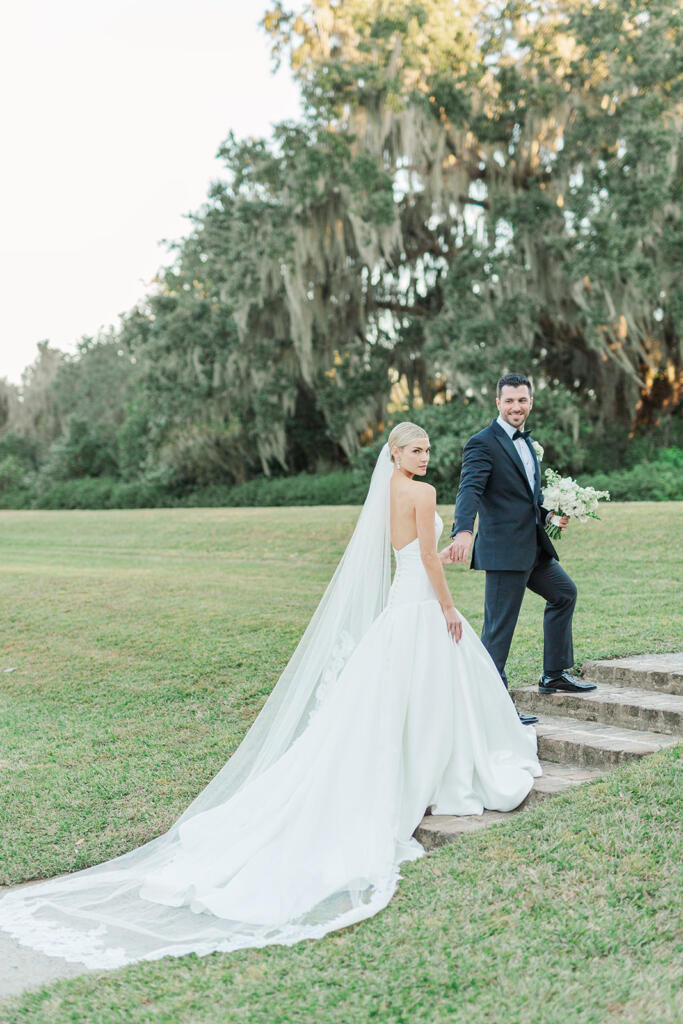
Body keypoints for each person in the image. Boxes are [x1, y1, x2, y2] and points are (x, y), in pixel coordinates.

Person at [0, 423, 540, 970]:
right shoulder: (422, 493)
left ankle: (422, 769)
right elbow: (424, 559)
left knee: (398, 695)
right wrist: (448, 606)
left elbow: (409, 554)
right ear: (395, 454)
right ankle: (439, 772)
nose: (425, 458)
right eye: (416, 450)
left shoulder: (387, 494)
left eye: (428, 449)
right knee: (432, 688)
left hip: (403, 603)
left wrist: (437, 563)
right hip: (422, 604)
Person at [449, 373, 597, 716]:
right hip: (503, 552)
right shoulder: (482, 443)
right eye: (510, 401)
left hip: (533, 548)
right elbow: (469, 489)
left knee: (564, 593)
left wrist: (547, 517)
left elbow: (527, 498)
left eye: (522, 400)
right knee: (499, 630)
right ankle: (492, 707)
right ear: (498, 403)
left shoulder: (528, 443)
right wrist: (463, 531)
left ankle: (554, 674)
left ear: (530, 402)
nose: (516, 406)